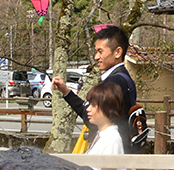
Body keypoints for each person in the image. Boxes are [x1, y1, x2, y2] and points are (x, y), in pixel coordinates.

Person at [52, 25, 138, 153]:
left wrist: (68, 94)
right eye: (96, 52)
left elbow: (94, 121)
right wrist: (66, 91)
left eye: (100, 51)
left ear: (117, 52)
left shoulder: (114, 82)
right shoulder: (125, 79)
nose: (96, 57)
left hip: (110, 154)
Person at [84, 81, 129, 170]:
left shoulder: (112, 139)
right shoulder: (103, 135)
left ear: (108, 107)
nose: (88, 109)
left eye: (93, 105)